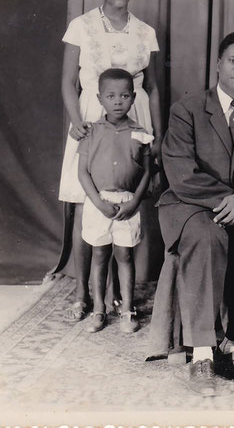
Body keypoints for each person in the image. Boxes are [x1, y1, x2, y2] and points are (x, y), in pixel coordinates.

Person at [147, 31, 234, 397]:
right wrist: (232, 200)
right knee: (208, 235)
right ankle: (202, 353)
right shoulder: (187, 109)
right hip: (192, 204)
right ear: (219, 64)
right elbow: (180, 173)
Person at [54, 0, 162, 322]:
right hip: (89, 117)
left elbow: (154, 88)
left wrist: (156, 132)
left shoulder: (145, 31)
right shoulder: (81, 25)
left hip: (135, 116)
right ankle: (83, 295)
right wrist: (76, 121)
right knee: (89, 206)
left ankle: (120, 296)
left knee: (126, 201)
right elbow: (69, 82)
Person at [77, 69, 153, 334]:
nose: (117, 101)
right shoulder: (91, 132)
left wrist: (133, 204)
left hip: (127, 203)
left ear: (133, 98)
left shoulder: (141, 133)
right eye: (111, 96)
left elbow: (147, 172)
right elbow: (82, 172)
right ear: (100, 99)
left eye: (124, 96)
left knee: (125, 255)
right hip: (99, 202)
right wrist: (99, 203)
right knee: (99, 254)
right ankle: (99, 309)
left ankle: (127, 310)